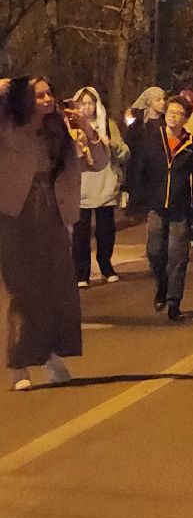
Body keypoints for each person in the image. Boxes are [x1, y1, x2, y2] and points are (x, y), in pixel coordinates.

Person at [1, 77, 108, 390]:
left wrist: (88, 130)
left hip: (53, 212)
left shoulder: (58, 129)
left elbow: (99, 163)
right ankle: (19, 365)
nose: (48, 99)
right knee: (21, 291)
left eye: (50, 93)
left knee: (56, 290)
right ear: (24, 100)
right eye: (39, 95)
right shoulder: (8, 126)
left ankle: (50, 356)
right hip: (14, 213)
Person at [126, 95, 193, 322]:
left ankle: (174, 302)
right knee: (154, 251)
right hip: (155, 204)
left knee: (178, 255)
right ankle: (161, 283)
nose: (173, 116)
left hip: (180, 208)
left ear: (186, 118)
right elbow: (139, 168)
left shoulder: (192, 146)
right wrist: (135, 197)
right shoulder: (152, 138)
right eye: (170, 112)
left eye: (179, 114)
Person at [69, 87, 130, 288]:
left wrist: (109, 142)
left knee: (105, 230)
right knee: (80, 232)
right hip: (80, 186)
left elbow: (124, 153)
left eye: (91, 103)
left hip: (104, 183)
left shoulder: (109, 125)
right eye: (83, 103)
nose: (87, 107)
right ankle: (81, 274)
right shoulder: (70, 126)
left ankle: (106, 265)